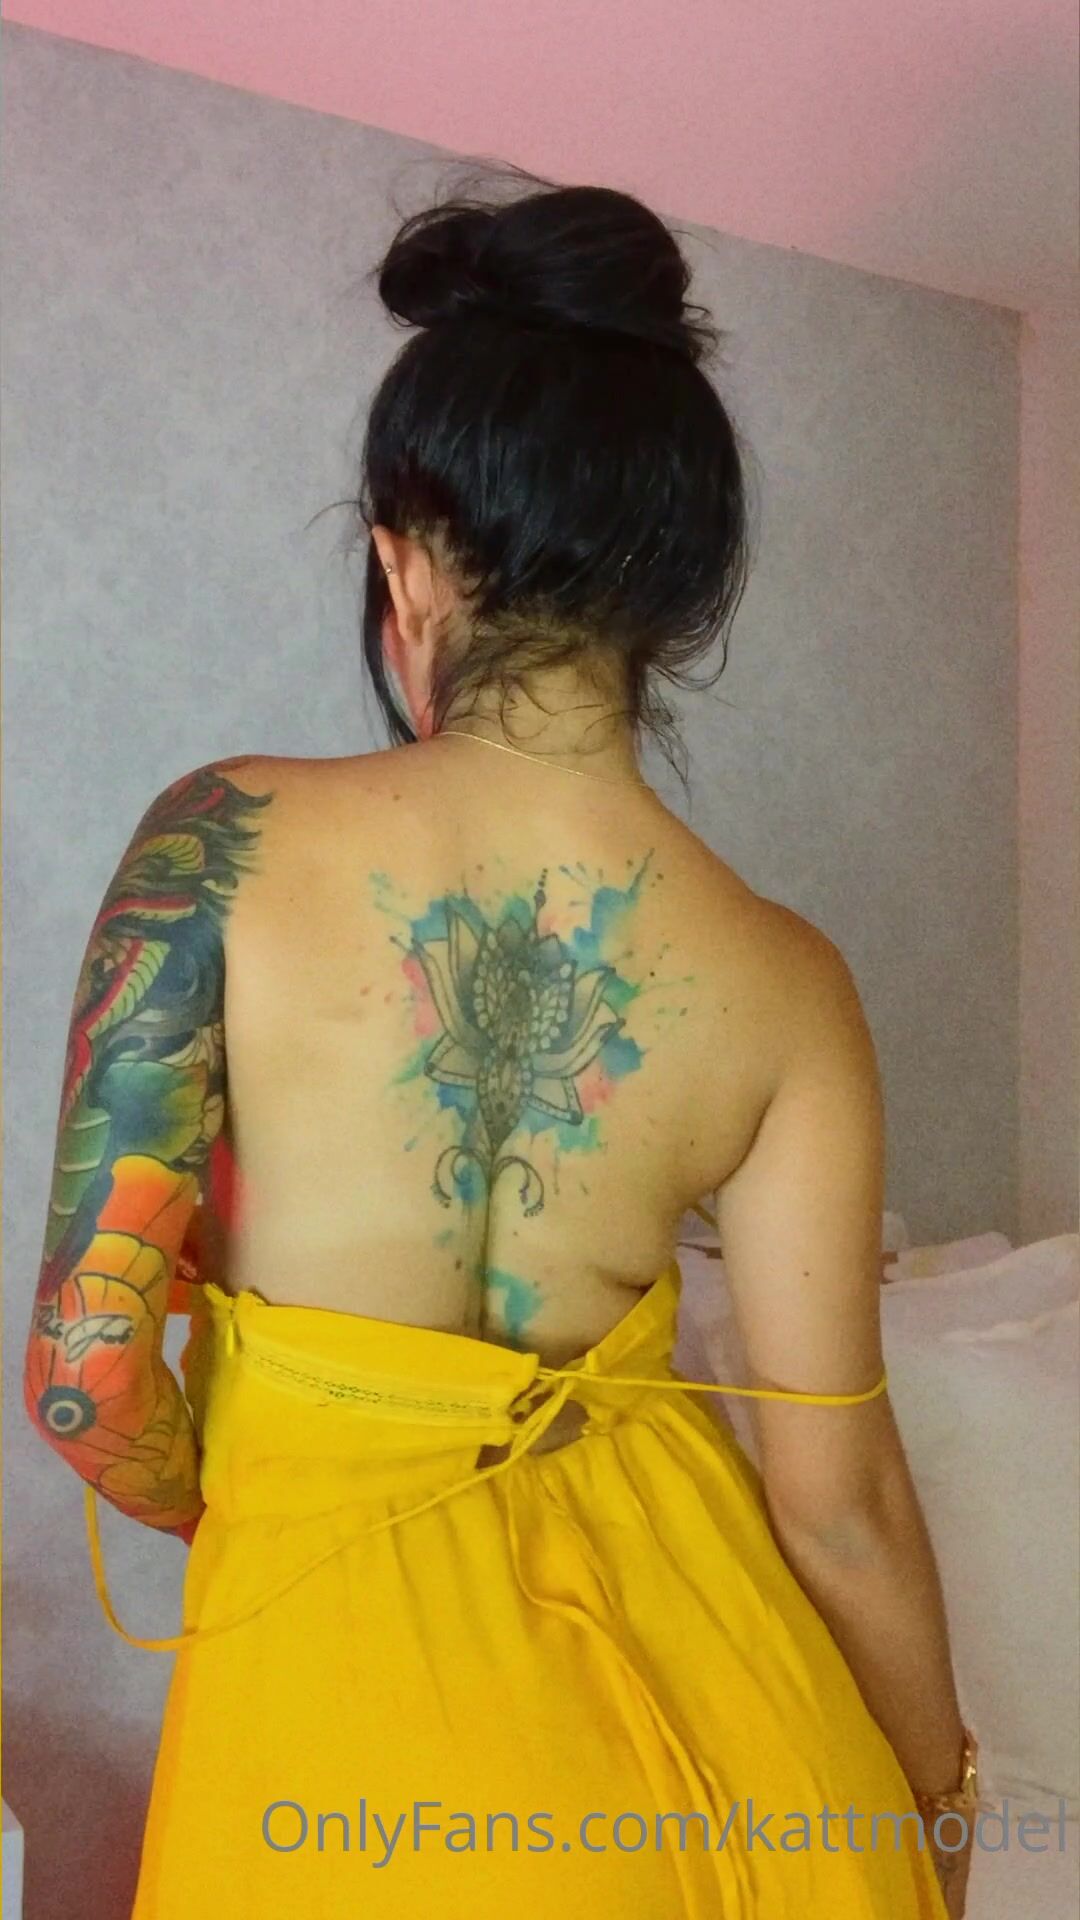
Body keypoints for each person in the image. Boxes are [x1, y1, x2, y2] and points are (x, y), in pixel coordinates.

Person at [24, 169, 977, 1917]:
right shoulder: (789, 982)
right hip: (730, 1762)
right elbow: (841, 1508)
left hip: (350, 1755)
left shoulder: (217, 843)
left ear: (403, 559)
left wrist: (286, 1494)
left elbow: (86, 1375)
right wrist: (939, 1802)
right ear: (679, 599)